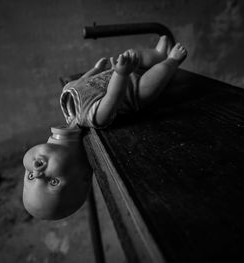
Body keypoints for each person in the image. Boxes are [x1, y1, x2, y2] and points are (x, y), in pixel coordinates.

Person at [23, 36, 187, 220]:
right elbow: (112, 99)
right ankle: (172, 61)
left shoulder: (68, 107)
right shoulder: (92, 119)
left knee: (135, 55)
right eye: (52, 181)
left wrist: (96, 69)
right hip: (131, 89)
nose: (37, 172)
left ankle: (158, 54)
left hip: (115, 72)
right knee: (147, 88)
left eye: (30, 176)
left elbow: (78, 84)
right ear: (84, 176)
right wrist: (121, 74)